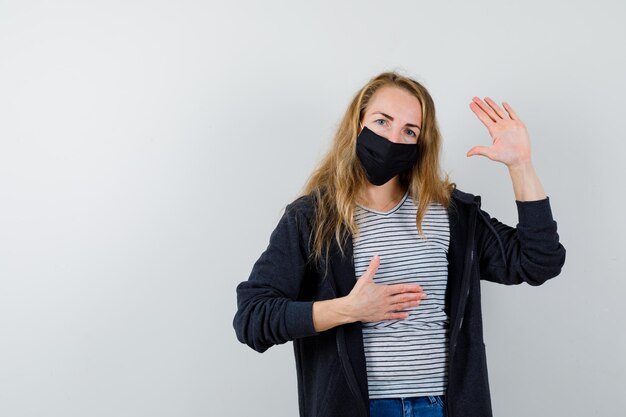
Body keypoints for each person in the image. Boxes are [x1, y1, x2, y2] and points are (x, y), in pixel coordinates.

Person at [232, 71, 566, 417]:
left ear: (421, 144)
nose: (393, 137)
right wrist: (348, 309)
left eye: (410, 131)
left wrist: (520, 165)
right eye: (382, 121)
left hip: (441, 407)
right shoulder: (311, 217)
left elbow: (539, 260)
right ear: (357, 124)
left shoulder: (452, 213)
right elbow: (253, 317)